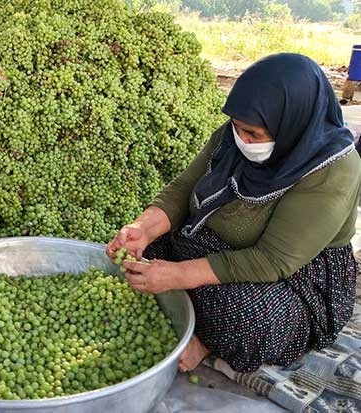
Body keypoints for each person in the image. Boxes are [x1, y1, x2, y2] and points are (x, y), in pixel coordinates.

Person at [107, 53, 361, 374]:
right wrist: (143, 228)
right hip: (221, 243)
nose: (242, 140)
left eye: (253, 134)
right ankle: (189, 312)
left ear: (291, 123)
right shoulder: (235, 134)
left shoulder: (333, 170)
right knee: (142, 253)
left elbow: (272, 260)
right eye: (238, 128)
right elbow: (185, 187)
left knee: (247, 318)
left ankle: (208, 340)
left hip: (292, 278)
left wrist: (177, 274)